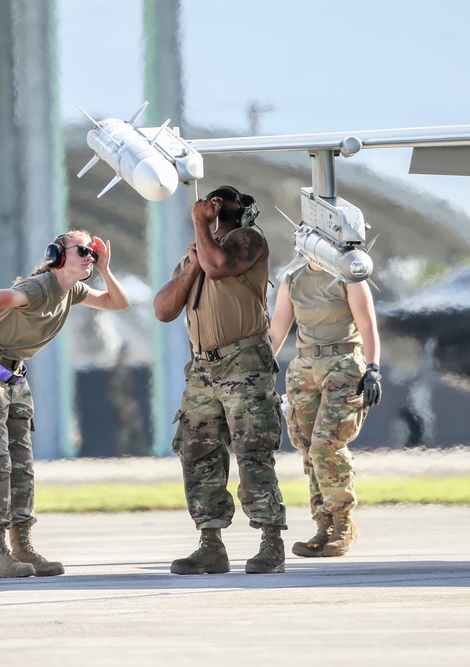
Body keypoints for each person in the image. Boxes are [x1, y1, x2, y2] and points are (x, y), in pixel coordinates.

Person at [0, 230, 131, 578]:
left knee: (21, 465)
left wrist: (106, 269)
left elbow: (118, 303)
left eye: (92, 253)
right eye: (82, 250)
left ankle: (22, 547)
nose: (89, 257)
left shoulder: (73, 291)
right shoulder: (38, 288)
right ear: (57, 254)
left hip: (13, 379)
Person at [153, 185, 287, 575]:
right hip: (202, 370)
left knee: (252, 452)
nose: (214, 202)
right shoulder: (196, 255)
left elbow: (218, 266)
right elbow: (164, 310)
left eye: (223, 199)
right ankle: (210, 543)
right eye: (210, 199)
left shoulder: (249, 240)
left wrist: (199, 223)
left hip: (243, 363)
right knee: (197, 454)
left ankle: (271, 542)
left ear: (241, 209)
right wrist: (190, 267)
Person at [268, 260, 382, 557]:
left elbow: (367, 323)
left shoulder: (349, 275)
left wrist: (372, 369)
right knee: (308, 447)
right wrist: (257, 369)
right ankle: (324, 524)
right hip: (304, 368)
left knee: (326, 443)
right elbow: (277, 331)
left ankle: (343, 522)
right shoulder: (292, 279)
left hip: (343, 363)